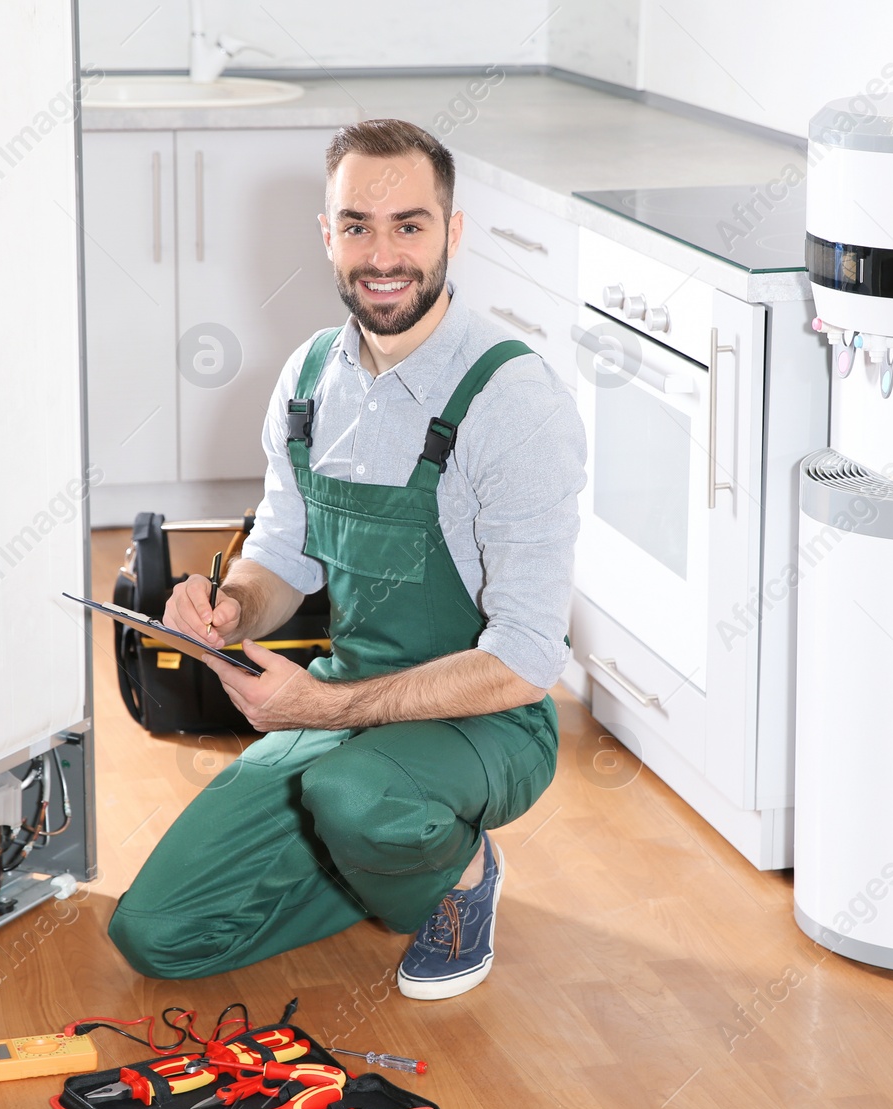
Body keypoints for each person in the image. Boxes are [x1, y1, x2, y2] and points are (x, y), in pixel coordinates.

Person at [108, 118, 586, 1000]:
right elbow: (283, 551)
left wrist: (321, 704)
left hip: (486, 723)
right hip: (342, 717)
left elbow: (525, 658)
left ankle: (460, 872)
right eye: (357, 226)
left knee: (358, 795)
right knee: (153, 934)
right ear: (327, 235)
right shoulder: (309, 377)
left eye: (410, 224)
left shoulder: (513, 401)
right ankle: (367, 847)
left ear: (453, 231)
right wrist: (232, 609)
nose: (383, 254)